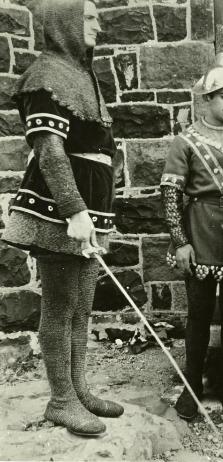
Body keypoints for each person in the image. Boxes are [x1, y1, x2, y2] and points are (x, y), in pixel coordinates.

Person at [1, 0, 122, 436]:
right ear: (66, 20)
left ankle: (78, 388)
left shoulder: (83, 74)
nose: (98, 26)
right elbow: (50, 151)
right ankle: (60, 400)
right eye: (89, 17)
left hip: (92, 204)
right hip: (60, 208)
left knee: (83, 304)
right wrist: (73, 210)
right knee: (60, 303)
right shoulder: (46, 75)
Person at [160, 53, 223, 420]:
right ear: (206, 99)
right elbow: (170, 194)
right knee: (199, 314)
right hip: (200, 231)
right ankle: (192, 386)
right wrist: (180, 241)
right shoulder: (185, 141)